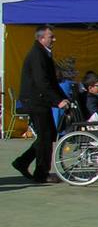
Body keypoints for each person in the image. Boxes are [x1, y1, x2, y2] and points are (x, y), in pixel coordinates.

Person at [12, 25, 70, 183]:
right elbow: (42, 82)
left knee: (48, 134)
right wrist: (58, 101)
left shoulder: (44, 53)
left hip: (39, 100)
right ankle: (42, 174)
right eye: (51, 37)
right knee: (45, 136)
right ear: (41, 38)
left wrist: (65, 98)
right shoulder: (38, 55)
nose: (54, 39)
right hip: (35, 101)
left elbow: (52, 82)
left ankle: (22, 162)